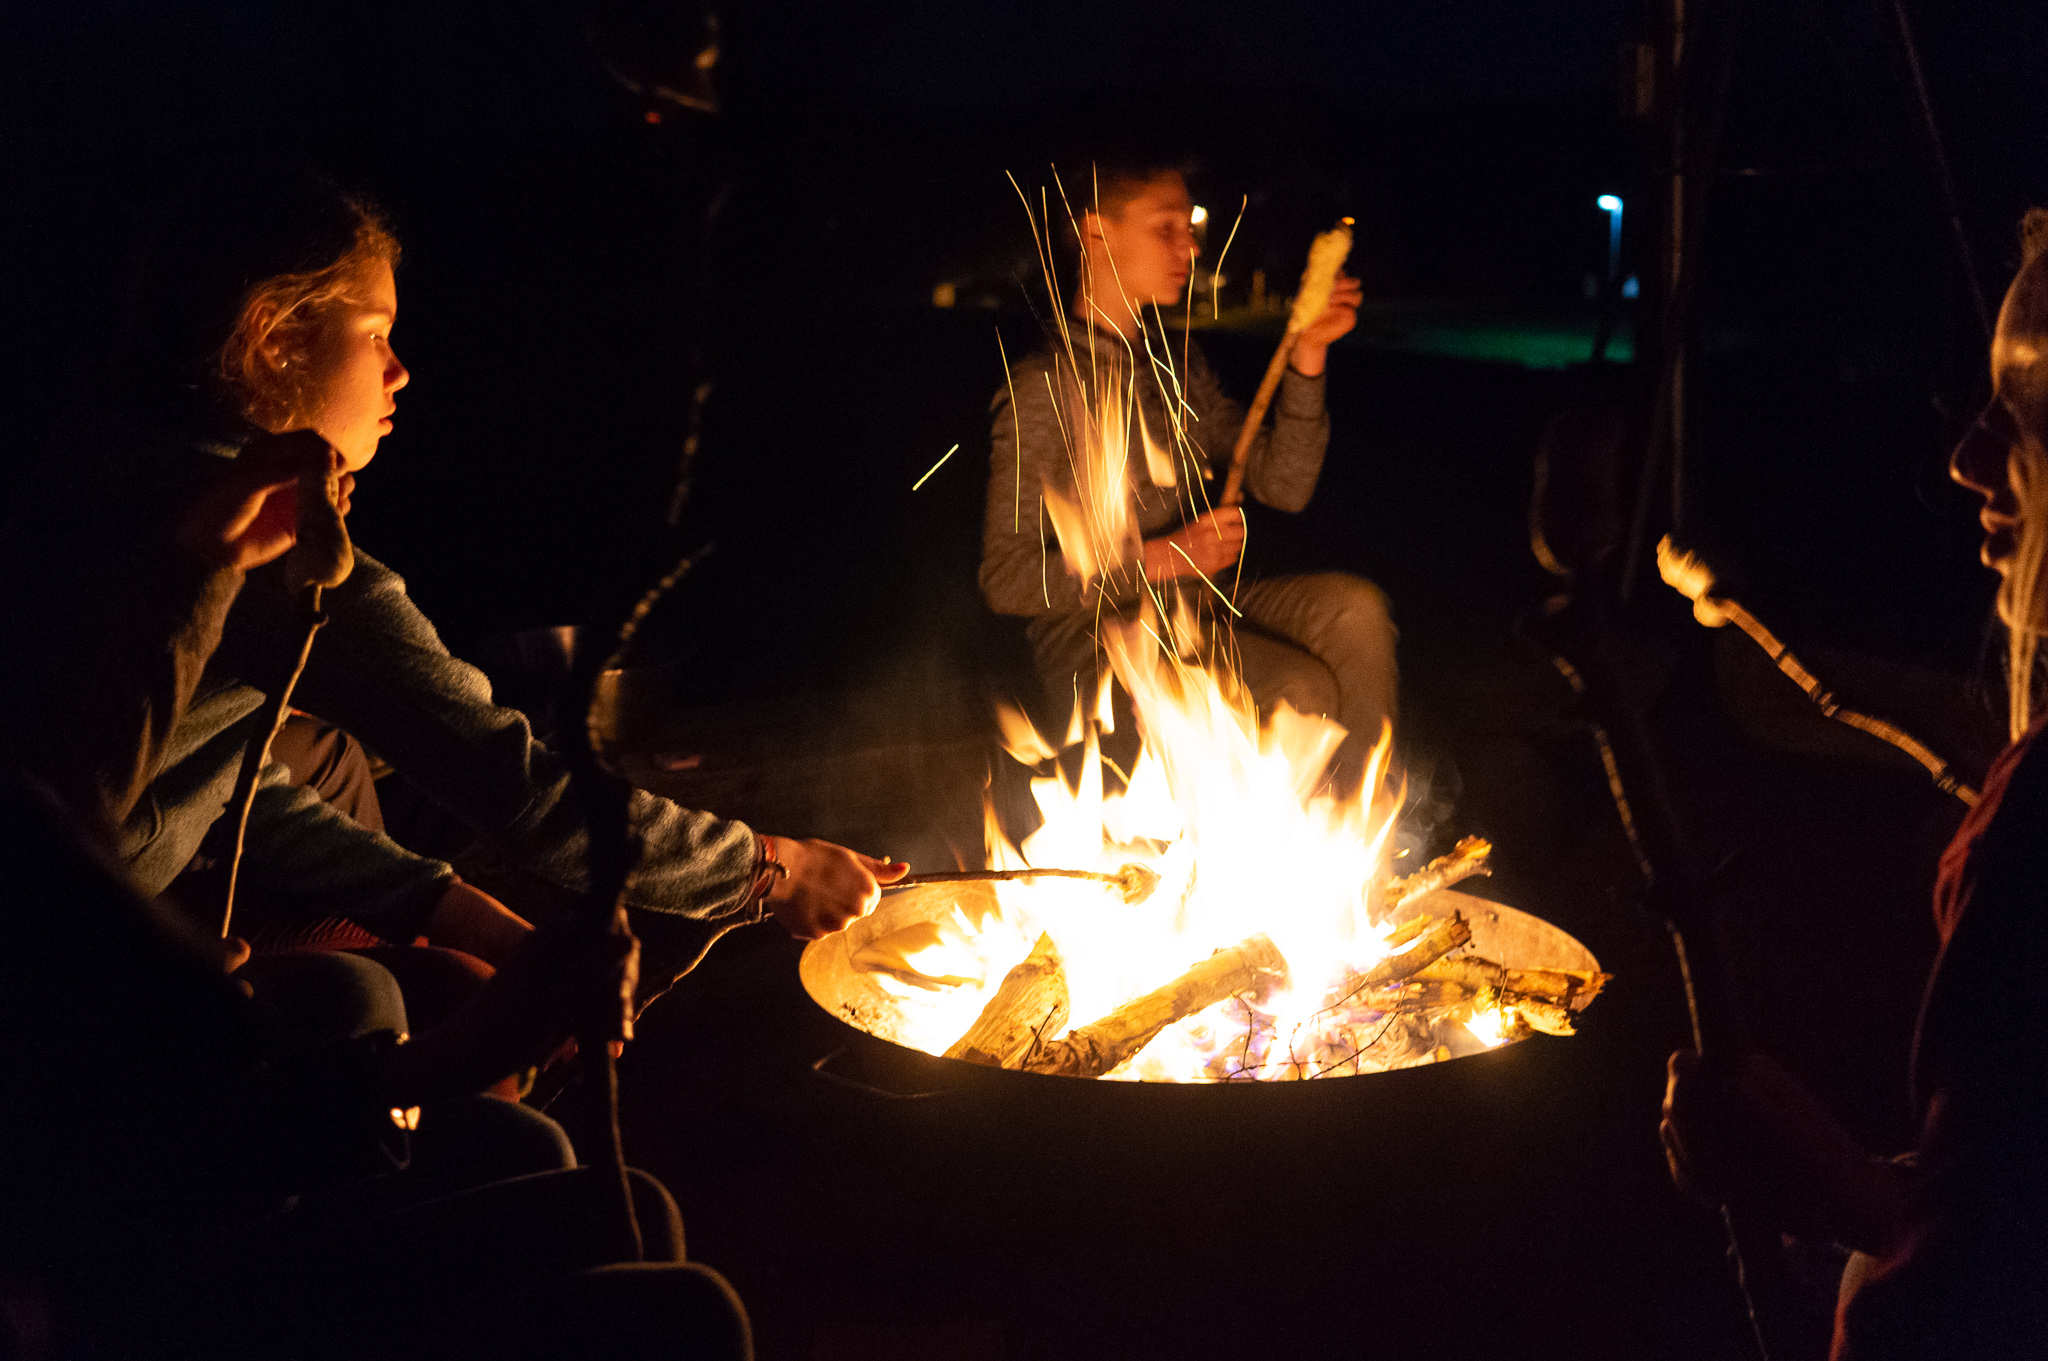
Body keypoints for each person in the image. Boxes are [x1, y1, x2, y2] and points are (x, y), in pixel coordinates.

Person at [0, 166, 906, 1000]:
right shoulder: (259, 543)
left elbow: (213, 773)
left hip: (70, 901)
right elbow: (524, 791)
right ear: (275, 337)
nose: (400, 371)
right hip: (74, 949)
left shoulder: (101, 463)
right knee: (409, 999)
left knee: (367, 815)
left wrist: (459, 912)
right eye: (378, 335)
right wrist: (768, 870)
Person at [1660, 210, 2048, 1356]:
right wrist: (1867, 1199)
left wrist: (1839, 1202)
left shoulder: (2032, 834)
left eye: (2025, 411)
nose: (1964, 455)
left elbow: (1965, 1312)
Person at [979, 153, 1397, 777]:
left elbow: (1283, 487)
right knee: (1295, 690)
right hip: (1096, 636)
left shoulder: (1176, 365)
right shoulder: (1044, 387)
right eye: (1165, 228)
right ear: (1097, 231)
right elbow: (1006, 581)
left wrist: (1308, 356)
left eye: (1190, 228)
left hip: (1193, 603)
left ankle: (1366, 852)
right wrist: (1163, 556)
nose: (1190, 248)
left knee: (1354, 611)